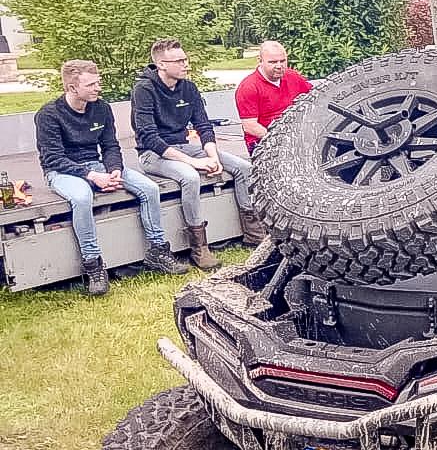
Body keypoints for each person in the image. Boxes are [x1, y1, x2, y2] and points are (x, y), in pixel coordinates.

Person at [34, 60, 186, 295]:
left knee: (149, 188)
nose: (98, 88)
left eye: (98, 83)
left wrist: (114, 169)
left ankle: (158, 250)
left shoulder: (102, 108)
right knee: (82, 198)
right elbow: (53, 158)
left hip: (98, 165)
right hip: (63, 171)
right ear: (72, 89)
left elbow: (110, 146)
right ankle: (93, 264)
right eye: (91, 84)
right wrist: (92, 176)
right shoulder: (49, 115)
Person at [133, 39, 264, 269]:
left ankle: (253, 231)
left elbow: (203, 126)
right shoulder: (144, 90)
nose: (186, 64)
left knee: (244, 168)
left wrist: (211, 155)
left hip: (185, 147)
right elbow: (149, 137)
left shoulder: (188, 87)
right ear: (162, 64)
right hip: (153, 154)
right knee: (190, 177)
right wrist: (195, 162)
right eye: (180, 60)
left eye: (186, 59)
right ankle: (199, 247)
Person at [235, 40, 312, 152]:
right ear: (260, 61)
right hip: (263, 142)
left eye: (283, 61)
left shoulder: (293, 76)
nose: (279, 66)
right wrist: (280, 140)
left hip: (296, 135)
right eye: (273, 62)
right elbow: (250, 126)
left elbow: (314, 97)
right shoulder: (248, 87)